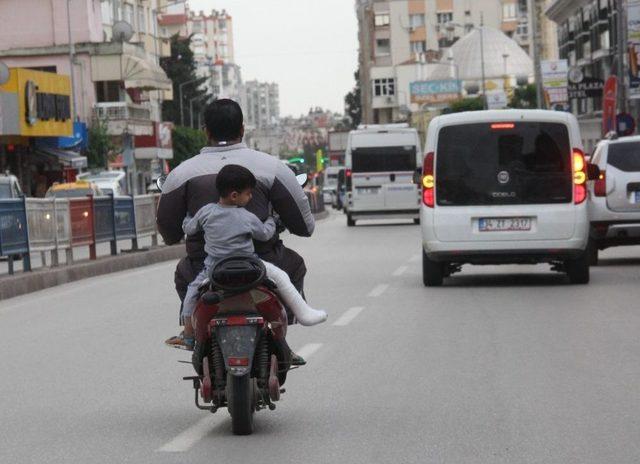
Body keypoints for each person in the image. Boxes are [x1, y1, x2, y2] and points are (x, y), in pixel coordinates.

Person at [157, 99, 315, 363]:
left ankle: (193, 330)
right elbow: (305, 226)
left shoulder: (181, 173)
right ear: (242, 129)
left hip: (205, 266)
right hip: (263, 264)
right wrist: (275, 222)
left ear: (205, 130)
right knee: (295, 265)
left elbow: (169, 231)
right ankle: (281, 331)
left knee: (184, 275)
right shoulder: (273, 167)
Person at [169, 165, 327, 349]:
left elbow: (189, 228)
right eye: (248, 193)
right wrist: (270, 220)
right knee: (281, 277)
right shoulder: (246, 217)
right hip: (251, 265)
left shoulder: (206, 212)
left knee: (191, 293)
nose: (251, 197)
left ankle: (188, 334)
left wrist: (187, 217)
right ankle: (304, 313)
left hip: (213, 269)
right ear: (234, 196)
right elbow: (265, 234)